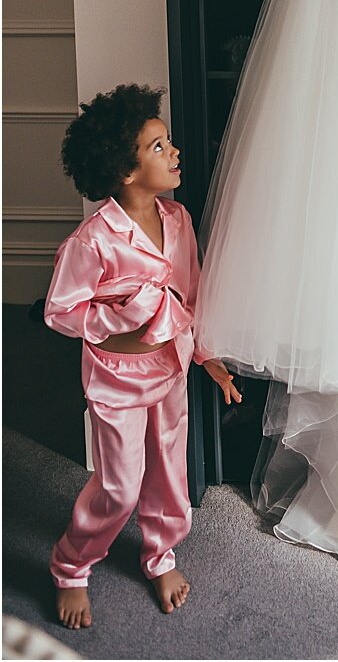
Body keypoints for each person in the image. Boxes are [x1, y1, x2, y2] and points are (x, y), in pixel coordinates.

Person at [44, 85, 240, 630]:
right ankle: (71, 565)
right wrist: (120, 328)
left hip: (172, 370)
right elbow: (61, 312)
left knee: (169, 475)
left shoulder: (177, 220)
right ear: (125, 173)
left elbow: (191, 294)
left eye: (168, 141)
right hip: (117, 381)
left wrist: (207, 357)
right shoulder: (93, 242)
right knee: (119, 485)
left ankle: (160, 555)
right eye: (159, 146)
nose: (175, 152)